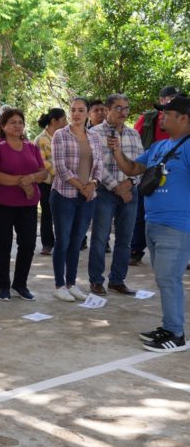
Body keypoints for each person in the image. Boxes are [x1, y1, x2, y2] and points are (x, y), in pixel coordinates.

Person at [109, 95, 190, 352]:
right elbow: (133, 168)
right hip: (153, 223)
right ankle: (168, 327)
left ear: (184, 118)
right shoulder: (159, 146)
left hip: (177, 226)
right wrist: (116, 152)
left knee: (169, 279)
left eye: (167, 113)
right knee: (164, 279)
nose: (162, 117)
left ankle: (176, 334)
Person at [0, 108, 48, 301]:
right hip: (0, 201)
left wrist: (30, 178)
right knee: (4, 243)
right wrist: (24, 180)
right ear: (3, 126)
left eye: (20, 122)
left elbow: (43, 173)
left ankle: (20, 284)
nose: (17, 125)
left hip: (27, 202)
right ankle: (3, 286)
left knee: (28, 244)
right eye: (12, 122)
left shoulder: (31, 147)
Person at [87, 94, 143, 296]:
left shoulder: (133, 134)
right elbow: (96, 165)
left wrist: (129, 184)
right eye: (119, 108)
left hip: (130, 192)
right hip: (104, 191)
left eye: (126, 108)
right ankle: (96, 280)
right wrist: (116, 187)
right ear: (108, 109)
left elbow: (140, 165)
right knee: (100, 238)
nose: (124, 112)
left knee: (125, 239)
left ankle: (117, 280)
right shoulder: (94, 133)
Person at [49, 98, 104, 302]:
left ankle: (71, 283)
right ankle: (59, 285)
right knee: (62, 241)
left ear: (88, 113)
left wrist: (93, 184)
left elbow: (99, 165)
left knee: (76, 241)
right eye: (73, 110)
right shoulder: (60, 135)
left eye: (81, 110)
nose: (77, 114)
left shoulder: (94, 137)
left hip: (88, 196)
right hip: (64, 195)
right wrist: (82, 186)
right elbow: (61, 168)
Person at [130, 86, 180, 264]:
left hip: (177, 173)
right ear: (161, 100)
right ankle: (135, 250)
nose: (173, 101)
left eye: (177, 98)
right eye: (170, 98)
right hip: (150, 171)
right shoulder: (148, 119)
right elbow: (134, 140)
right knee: (142, 212)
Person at [34, 108, 67, 256]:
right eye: (64, 120)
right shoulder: (40, 139)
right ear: (54, 121)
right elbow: (43, 162)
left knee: (64, 212)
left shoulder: (66, 136)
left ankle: (63, 242)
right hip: (47, 182)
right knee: (47, 212)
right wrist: (59, 174)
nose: (66, 123)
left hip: (66, 181)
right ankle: (47, 244)